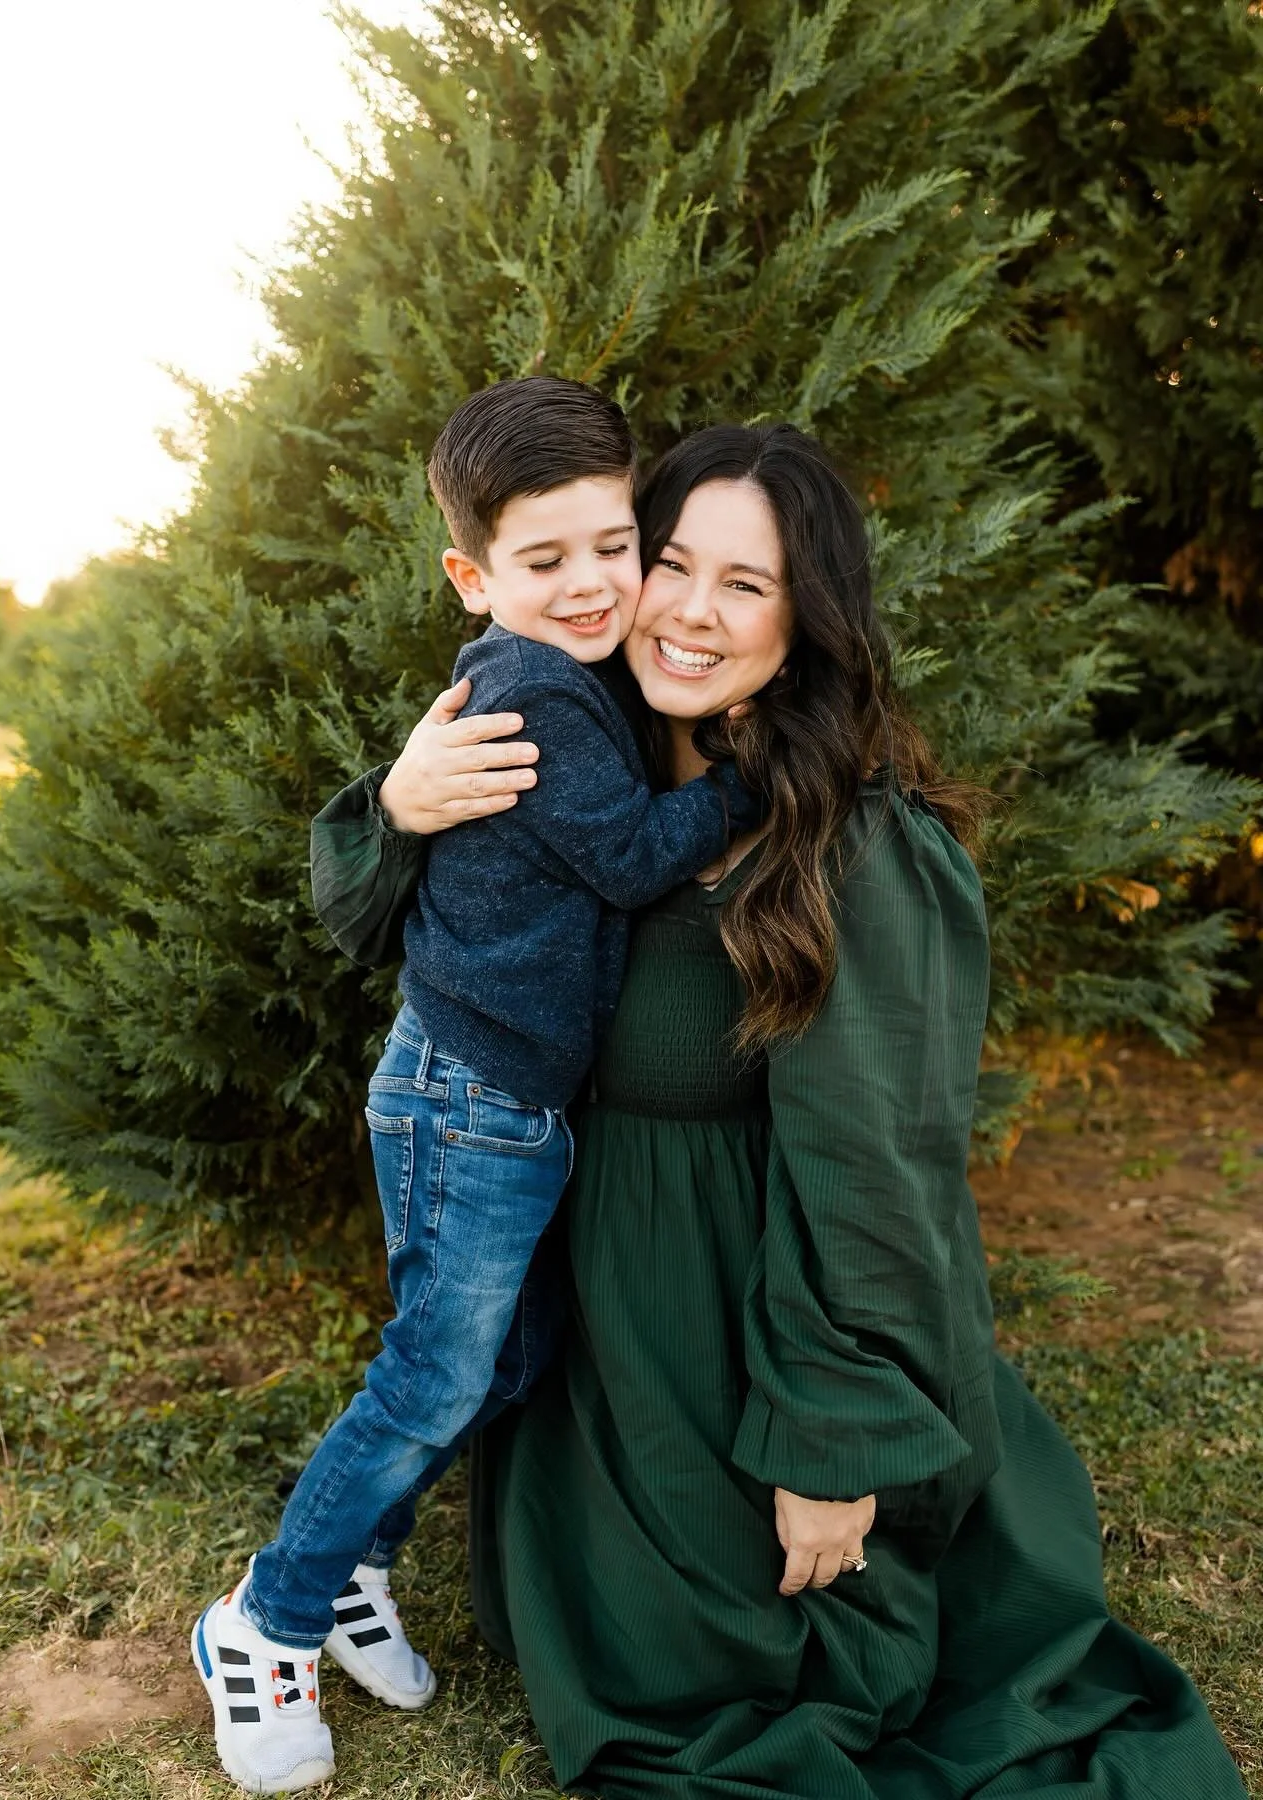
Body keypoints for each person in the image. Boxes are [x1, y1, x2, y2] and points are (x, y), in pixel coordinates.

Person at [309, 422, 1247, 1797]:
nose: (689, 609)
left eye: (745, 584)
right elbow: (359, 911)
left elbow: (882, 1167)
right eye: (671, 562)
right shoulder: (573, 749)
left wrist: (830, 1441)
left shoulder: (852, 840)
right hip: (603, 1341)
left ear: (810, 617)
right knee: (626, 1653)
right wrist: (397, 802)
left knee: (729, 1690)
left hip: (755, 1334)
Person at [191, 378, 755, 1795]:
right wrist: (757, 777)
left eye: (612, 545)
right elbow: (634, 859)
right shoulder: (531, 697)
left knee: (499, 1360)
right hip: (466, 1090)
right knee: (434, 1372)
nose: (592, 585)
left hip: (507, 1096)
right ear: (473, 574)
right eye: (543, 560)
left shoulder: (577, 676)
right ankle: (263, 1621)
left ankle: (360, 1573)